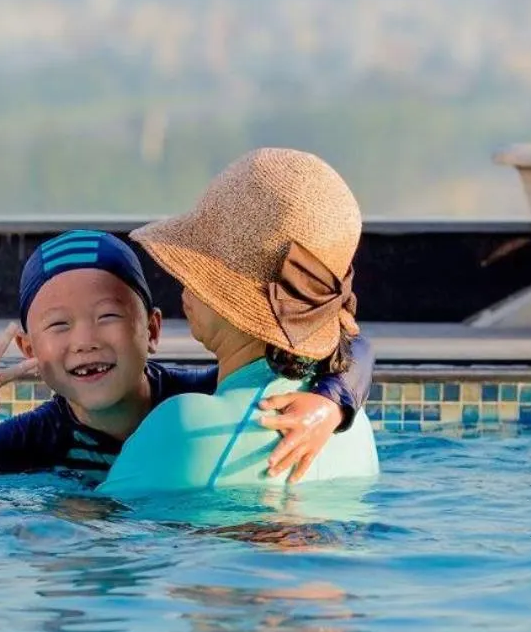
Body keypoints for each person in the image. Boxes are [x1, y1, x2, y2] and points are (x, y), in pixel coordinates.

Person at [0, 228, 374, 481]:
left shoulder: (199, 401)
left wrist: (331, 402)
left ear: (153, 330)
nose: (85, 340)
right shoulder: (36, 440)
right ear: (29, 350)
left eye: (108, 316)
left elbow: (349, 343)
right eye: (59, 325)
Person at [101, 148, 379, 498]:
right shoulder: (354, 426)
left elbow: (99, 523)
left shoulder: (184, 427)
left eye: (197, 271)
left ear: (226, 298)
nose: (184, 284)